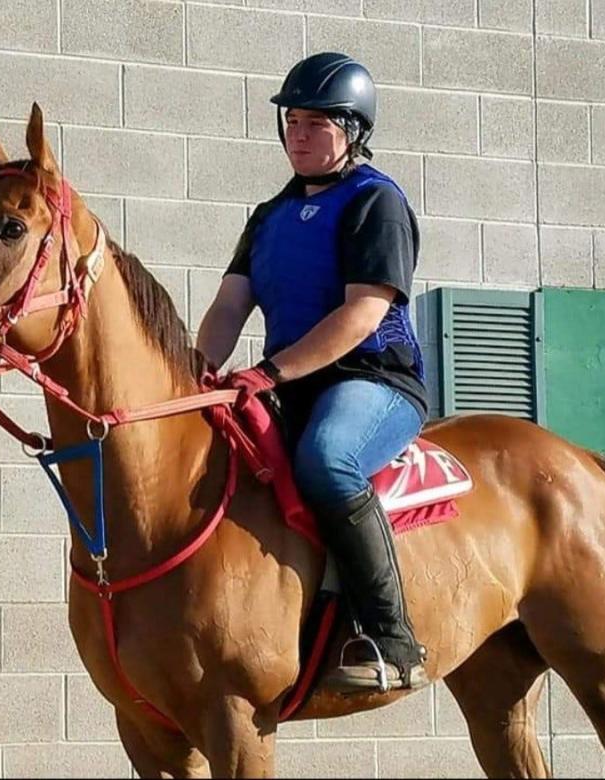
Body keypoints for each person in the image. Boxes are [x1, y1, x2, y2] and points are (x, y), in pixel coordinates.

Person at [196, 52, 429, 692]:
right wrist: (194, 376)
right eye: (291, 122)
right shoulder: (268, 216)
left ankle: (391, 638)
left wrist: (269, 372)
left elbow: (361, 315)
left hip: (373, 380)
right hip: (289, 381)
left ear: (353, 131)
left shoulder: (375, 203)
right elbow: (228, 306)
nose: (298, 136)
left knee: (328, 460)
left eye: (316, 124)